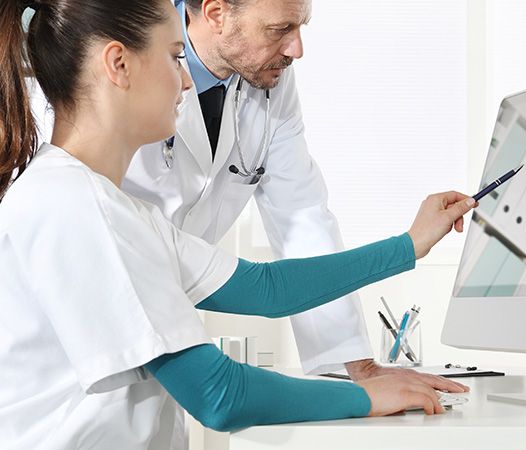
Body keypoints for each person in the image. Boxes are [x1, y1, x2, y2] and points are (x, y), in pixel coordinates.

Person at [0, 1, 476, 448]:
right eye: (174, 56)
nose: (186, 82)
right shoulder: (74, 205)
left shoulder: (112, 206)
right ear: (119, 65)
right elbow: (219, 395)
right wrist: (368, 398)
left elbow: (266, 287)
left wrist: (409, 246)